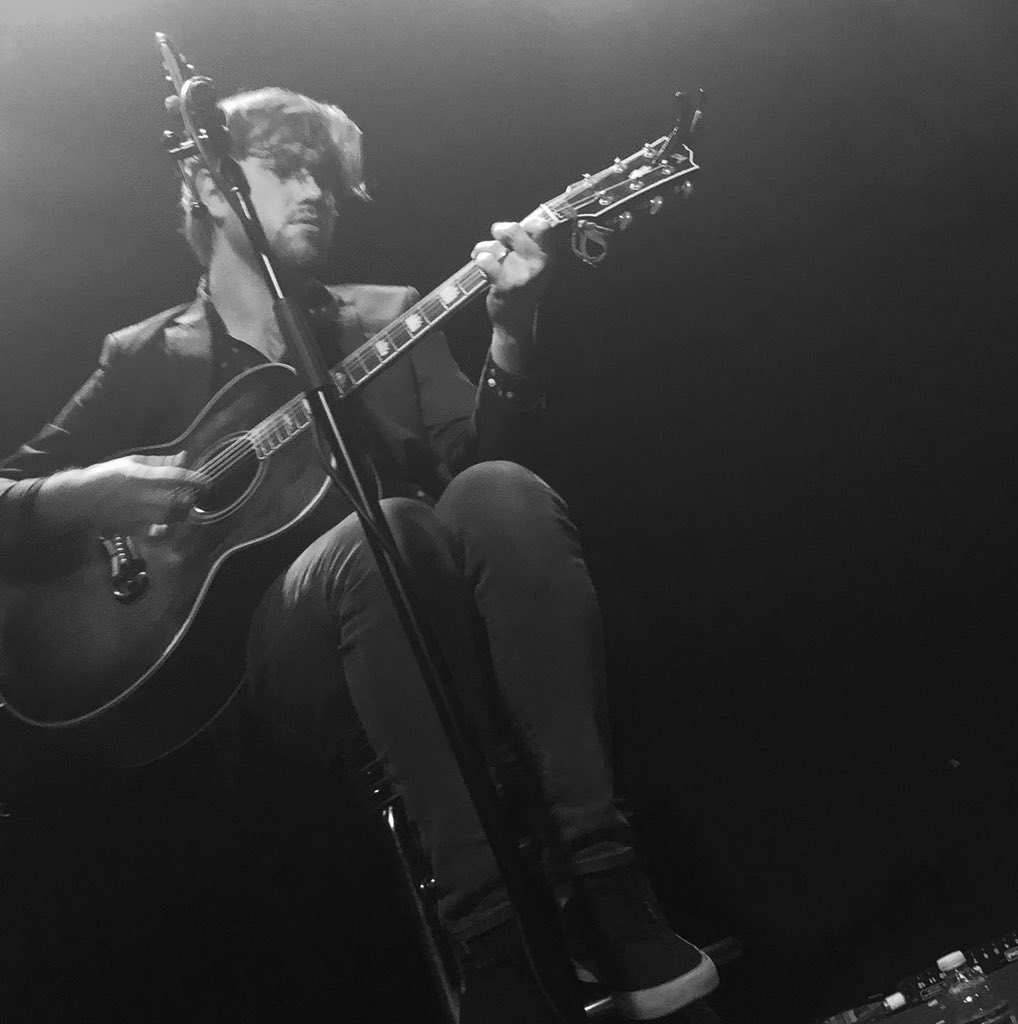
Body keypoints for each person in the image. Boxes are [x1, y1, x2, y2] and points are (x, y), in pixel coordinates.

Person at [0, 88, 718, 1022]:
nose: (316, 192)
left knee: (501, 493)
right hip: (265, 670)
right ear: (210, 188)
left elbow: (478, 463)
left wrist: (513, 329)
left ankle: (604, 882)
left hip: (430, 599)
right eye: (287, 169)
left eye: (328, 178)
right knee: (387, 534)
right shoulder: (145, 356)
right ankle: (493, 936)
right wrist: (87, 491)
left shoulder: (387, 315)